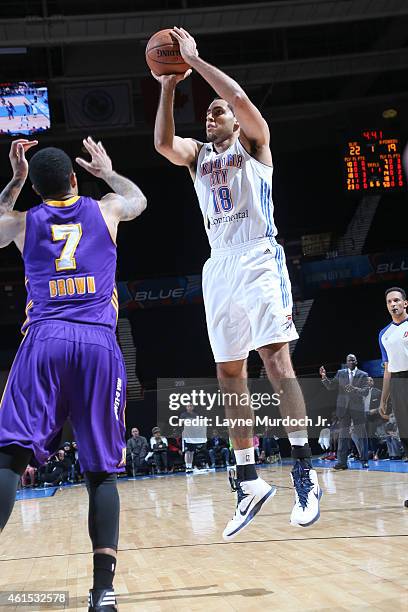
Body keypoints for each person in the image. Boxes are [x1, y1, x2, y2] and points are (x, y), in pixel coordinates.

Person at [153, 26, 321, 539]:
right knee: (230, 374)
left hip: (258, 257)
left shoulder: (255, 145)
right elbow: (162, 143)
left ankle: (303, 470)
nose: (212, 114)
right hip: (219, 264)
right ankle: (248, 479)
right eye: (207, 112)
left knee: (276, 360)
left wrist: (196, 62)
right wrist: (166, 83)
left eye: (217, 111)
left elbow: (241, 97)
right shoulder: (198, 157)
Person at [0, 136, 147, 611]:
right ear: (74, 179)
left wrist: (14, 182)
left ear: (37, 188)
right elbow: (138, 199)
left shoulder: (24, 222)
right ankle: (103, 593)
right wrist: (107, 170)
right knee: (102, 473)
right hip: (99, 346)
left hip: (43, 341)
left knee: (10, 458)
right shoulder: (105, 211)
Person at [378, 287, 408, 506]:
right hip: (398, 383)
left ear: (405, 303)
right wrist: (383, 399)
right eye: (389, 301)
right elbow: (387, 368)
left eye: (397, 300)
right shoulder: (384, 334)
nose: (393, 304)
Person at [320, 355, 369, 469]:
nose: (351, 361)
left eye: (353, 360)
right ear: (346, 362)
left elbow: (365, 391)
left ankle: (364, 460)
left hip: (357, 409)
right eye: (348, 360)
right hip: (343, 409)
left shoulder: (363, 375)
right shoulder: (340, 373)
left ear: (356, 361)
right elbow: (331, 386)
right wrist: (324, 377)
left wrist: (354, 389)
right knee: (343, 436)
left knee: (361, 435)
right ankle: (342, 462)